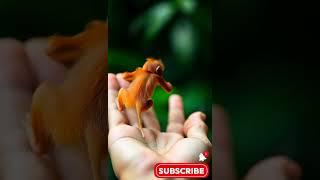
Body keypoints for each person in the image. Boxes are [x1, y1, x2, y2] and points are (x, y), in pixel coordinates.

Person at [0, 38, 301, 180]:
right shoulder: (141, 76)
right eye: (154, 68)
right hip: (123, 109)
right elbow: (128, 79)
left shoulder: (153, 80)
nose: (156, 71)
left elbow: (162, 87)